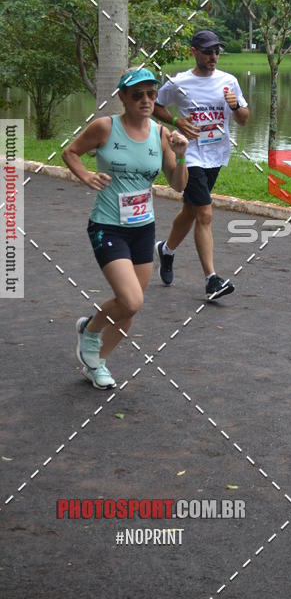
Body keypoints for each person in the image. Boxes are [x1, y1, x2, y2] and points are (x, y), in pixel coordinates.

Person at [62, 68, 189, 388]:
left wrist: (181, 156)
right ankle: (89, 332)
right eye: (137, 95)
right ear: (122, 97)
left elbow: (177, 185)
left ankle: (97, 363)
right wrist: (86, 176)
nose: (146, 100)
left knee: (131, 307)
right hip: (107, 226)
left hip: (142, 228)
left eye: (151, 94)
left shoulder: (160, 134)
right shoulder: (105, 127)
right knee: (131, 300)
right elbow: (70, 152)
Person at [152, 30, 249, 299]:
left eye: (217, 51)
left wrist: (235, 106)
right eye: (207, 52)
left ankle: (166, 250)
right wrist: (175, 122)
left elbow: (244, 119)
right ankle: (211, 280)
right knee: (205, 213)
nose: (213, 56)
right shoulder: (179, 83)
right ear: (193, 52)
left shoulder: (229, 82)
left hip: (216, 155)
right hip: (190, 156)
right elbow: (155, 107)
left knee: (191, 211)